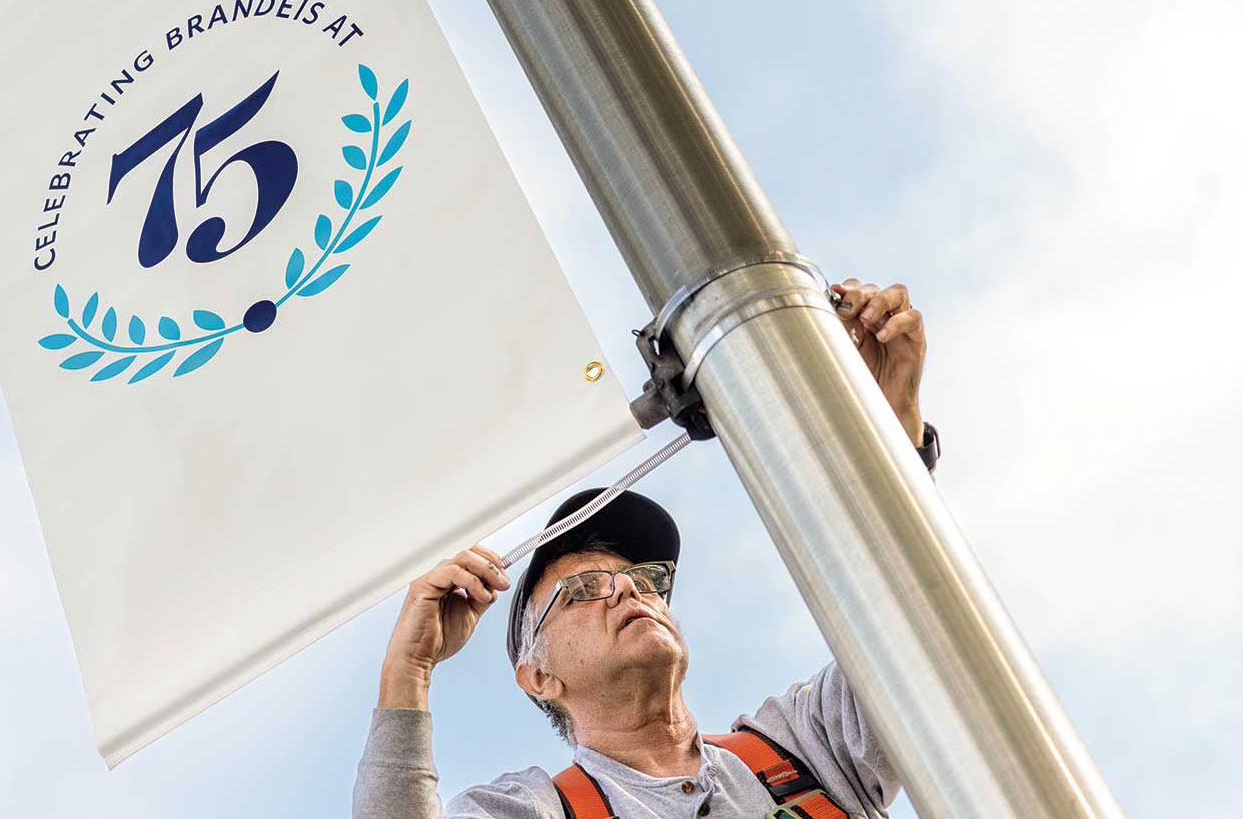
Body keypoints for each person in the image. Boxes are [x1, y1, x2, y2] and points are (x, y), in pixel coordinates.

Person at [353, 279, 934, 818]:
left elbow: (917, 630)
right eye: (582, 589)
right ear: (538, 677)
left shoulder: (806, 745)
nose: (630, 587)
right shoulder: (536, 810)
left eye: (647, 579)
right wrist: (410, 669)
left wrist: (891, 435)